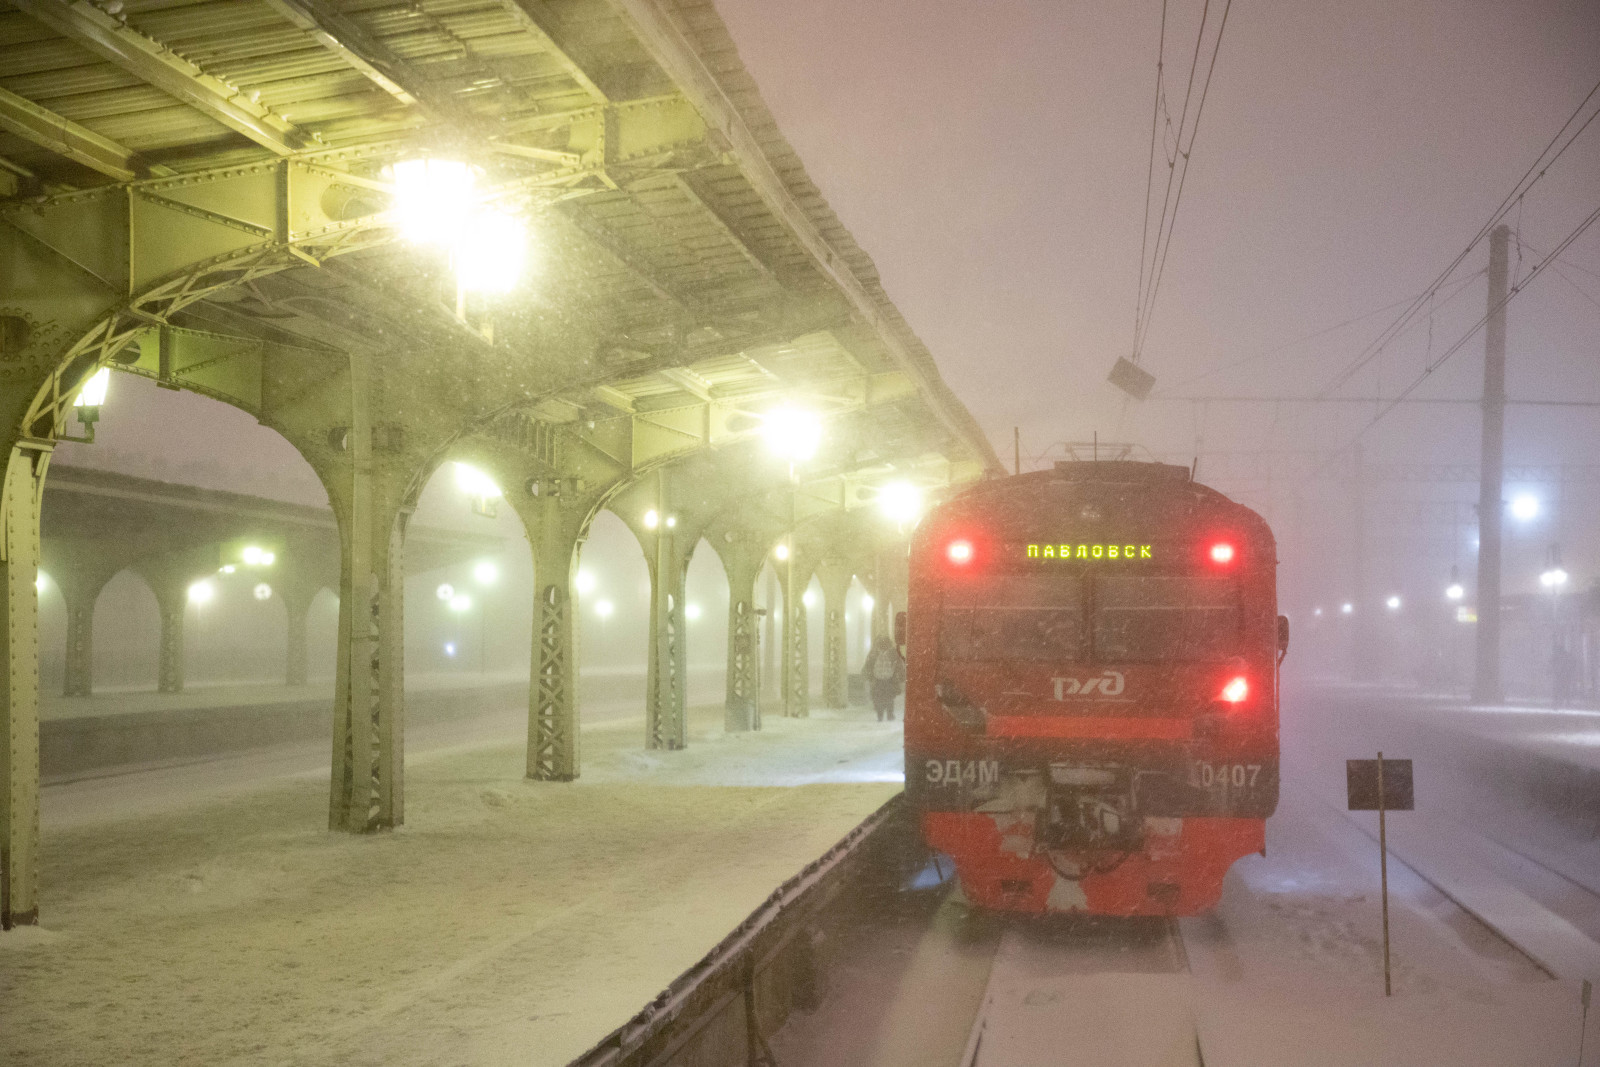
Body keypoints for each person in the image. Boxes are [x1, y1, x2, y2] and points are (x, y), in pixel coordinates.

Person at [863, 635, 906, 722]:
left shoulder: (874, 652)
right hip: (889, 680)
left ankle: (880, 715)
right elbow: (899, 665)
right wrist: (902, 677)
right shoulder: (893, 652)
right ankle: (890, 714)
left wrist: (869, 677)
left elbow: (868, 665)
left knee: (878, 697)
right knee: (890, 698)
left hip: (877, 679)